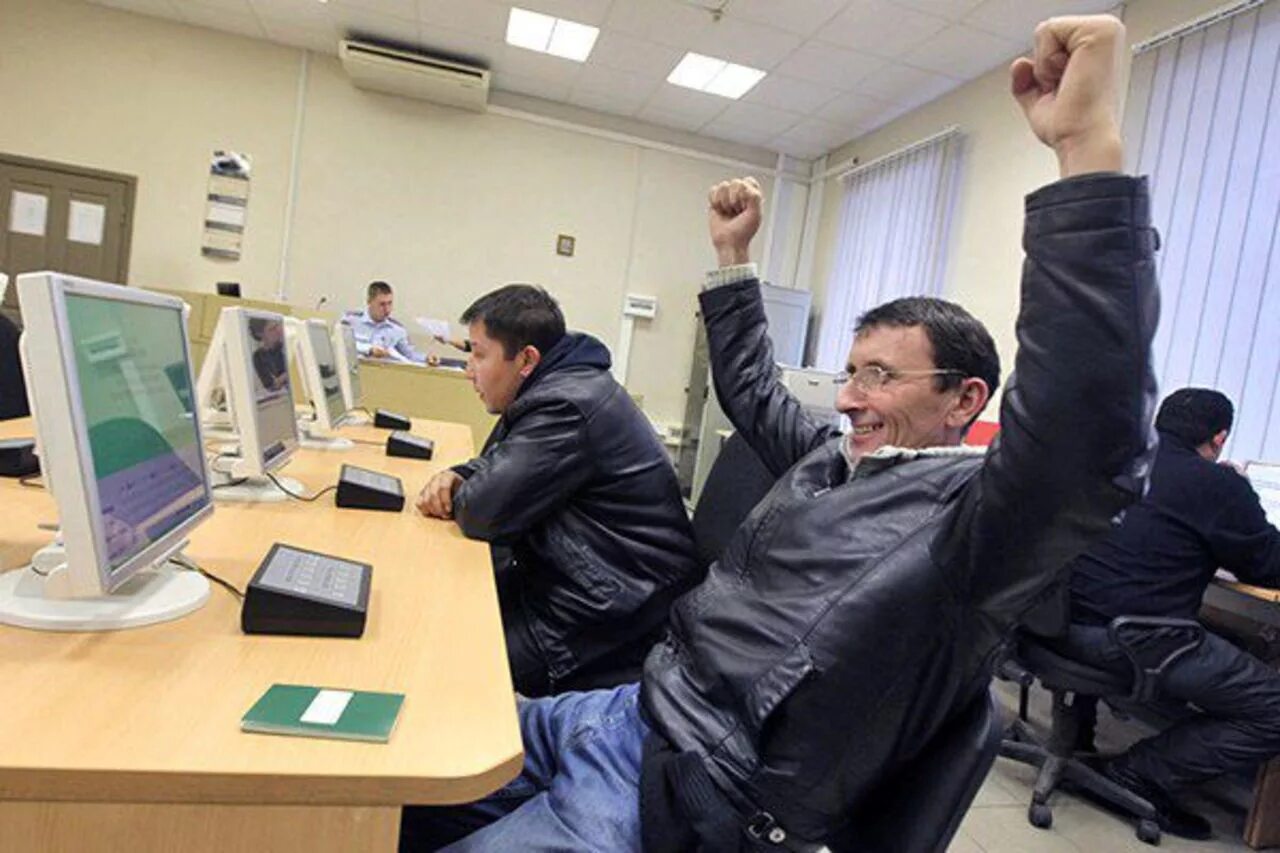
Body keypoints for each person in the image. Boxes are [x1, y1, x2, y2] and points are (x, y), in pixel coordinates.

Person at [400, 14, 1161, 851]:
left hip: (690, 787)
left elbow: (1085, 431)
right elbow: (753, 391)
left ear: (964, 397)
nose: (849, 399)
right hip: (624, 711)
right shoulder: (838, 462)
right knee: (383, 769)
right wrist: (733, 259)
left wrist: (1086, 150)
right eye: (850, 372)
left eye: (879, 376)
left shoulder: (976, 527)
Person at [416, 283, 699, 697]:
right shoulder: (560, 386)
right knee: (437, 611)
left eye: (479, 354)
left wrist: (467, 486)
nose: (469, 370)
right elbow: (506, 462)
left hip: (600, 620)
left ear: (527, 359)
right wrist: (460, 472)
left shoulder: (566, 406)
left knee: (439, 660)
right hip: (582, 589)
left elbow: (482, 511)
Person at [1061, 388, 1280, 839]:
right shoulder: (1217, 485)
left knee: (1226, 647)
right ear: (1219, 439)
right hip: (1129, 641)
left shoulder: (1115, 459)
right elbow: (1267, 565)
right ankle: (1137, 772)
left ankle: (1097, 743)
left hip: (1056, 624)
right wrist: (1235, 494)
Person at [343, 281, 428, 363]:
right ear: (369, 302)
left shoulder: (397, 329)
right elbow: (340, 344)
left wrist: (427, 359)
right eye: (382, 304)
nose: (387, 309)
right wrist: (369, 349)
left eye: (390, 303)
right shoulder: (351, 320)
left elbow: (410, 355)